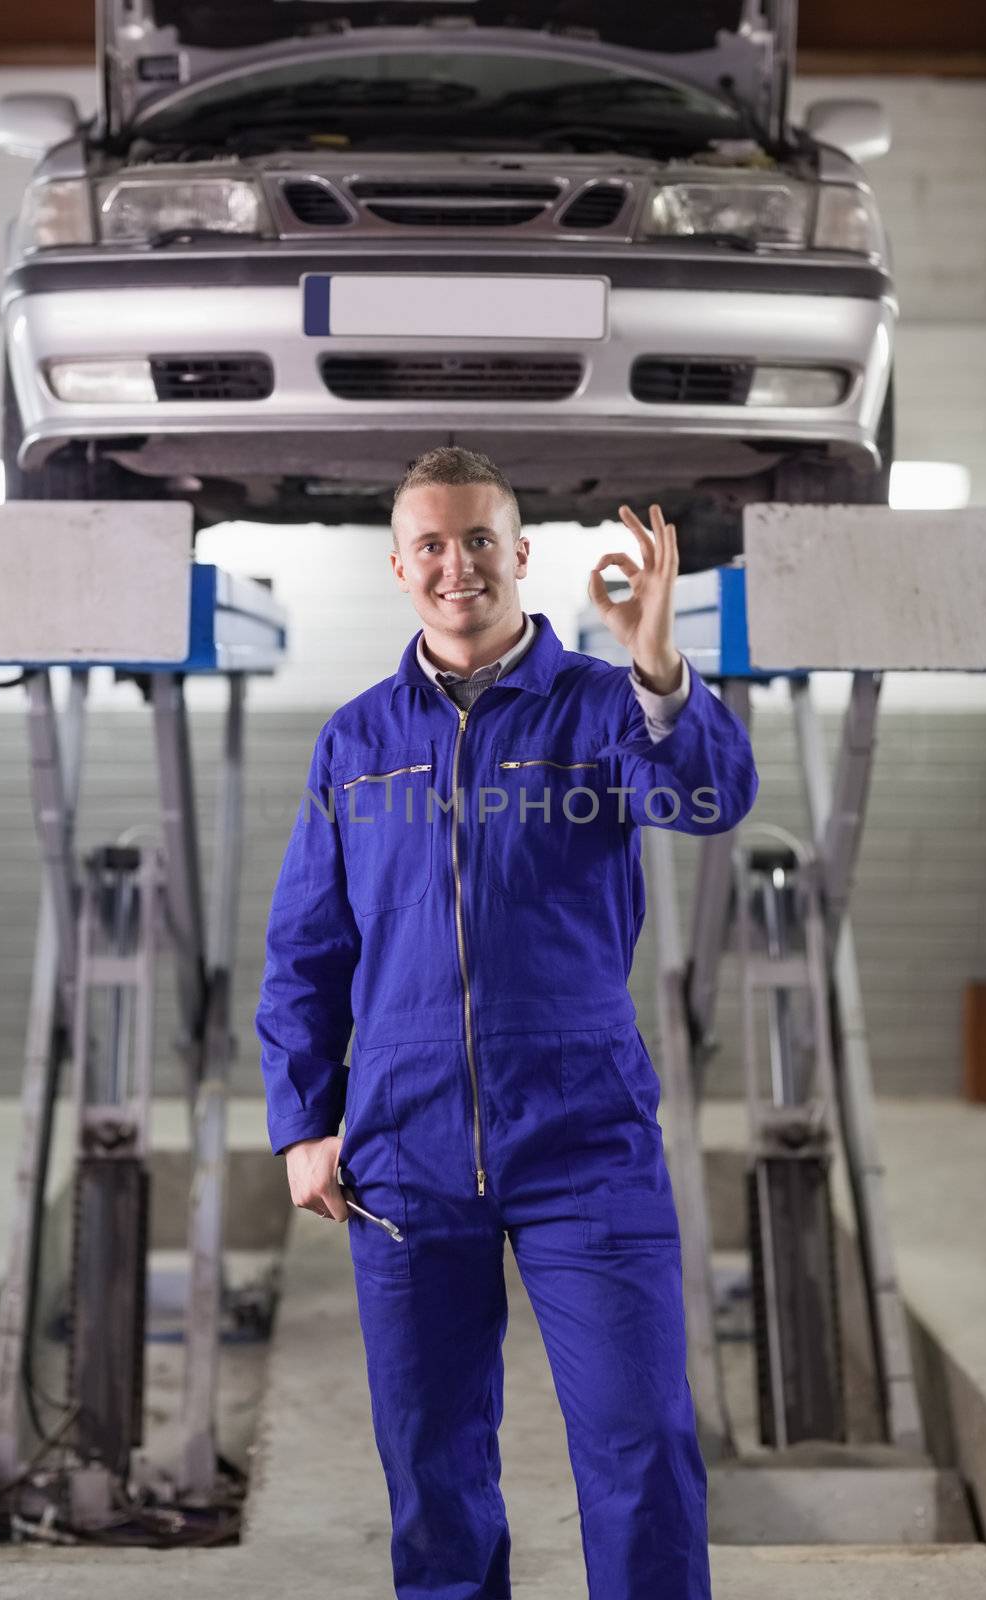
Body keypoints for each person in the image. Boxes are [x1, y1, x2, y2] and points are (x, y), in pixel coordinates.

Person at [255, 445, 758, 1599]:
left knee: (638, 1442)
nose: (456, 564)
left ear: (519, 554)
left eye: (477, 539)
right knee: (432, 1467)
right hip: (403, 1147)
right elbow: (304, 952)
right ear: (397, 565)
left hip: (583, 1139)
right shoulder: (357, 741)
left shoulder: (599, 706)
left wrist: (659, 663)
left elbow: (709, 796)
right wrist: (301, 1124)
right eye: (430, 543)